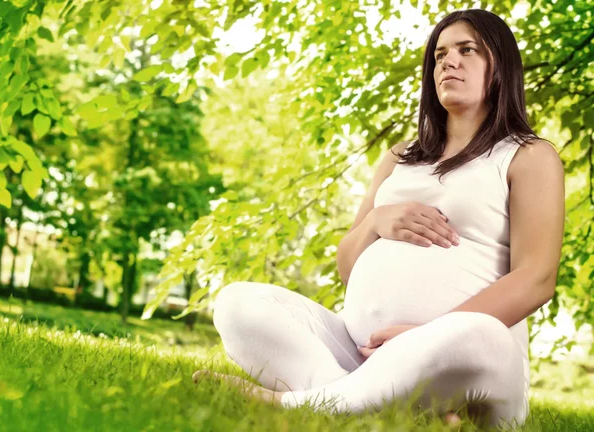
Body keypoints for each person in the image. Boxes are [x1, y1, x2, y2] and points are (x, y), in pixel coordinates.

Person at [193, 8, 565, 429]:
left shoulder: (528, 156)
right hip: (363, 351)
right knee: (238, 303)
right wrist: (375, 222)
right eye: (440, 55)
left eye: (467, 50)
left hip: (468, 354)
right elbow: (348, 269)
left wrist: (423, 335)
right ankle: (373, 401)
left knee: (481, 333)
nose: (449, 62)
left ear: (501, 67)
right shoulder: (399, 158)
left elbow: (536, 278)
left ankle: (298, 404)